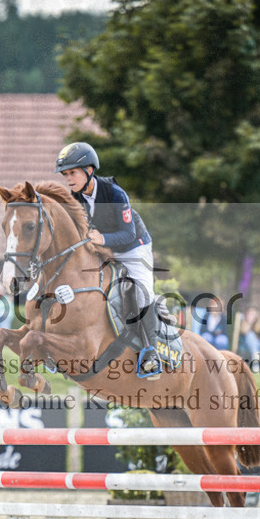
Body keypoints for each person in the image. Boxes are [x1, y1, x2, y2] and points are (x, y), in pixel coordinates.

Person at [55, 141, 159, 378]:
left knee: (142, 291)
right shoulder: (75, 197)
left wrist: (101, 238)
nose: (68, 179)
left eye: (72, 172)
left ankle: (151, 351)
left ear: (89, 171)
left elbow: (128, 233)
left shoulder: (114, 193)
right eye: (65, 174)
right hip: (103, 248)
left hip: (134, 247)